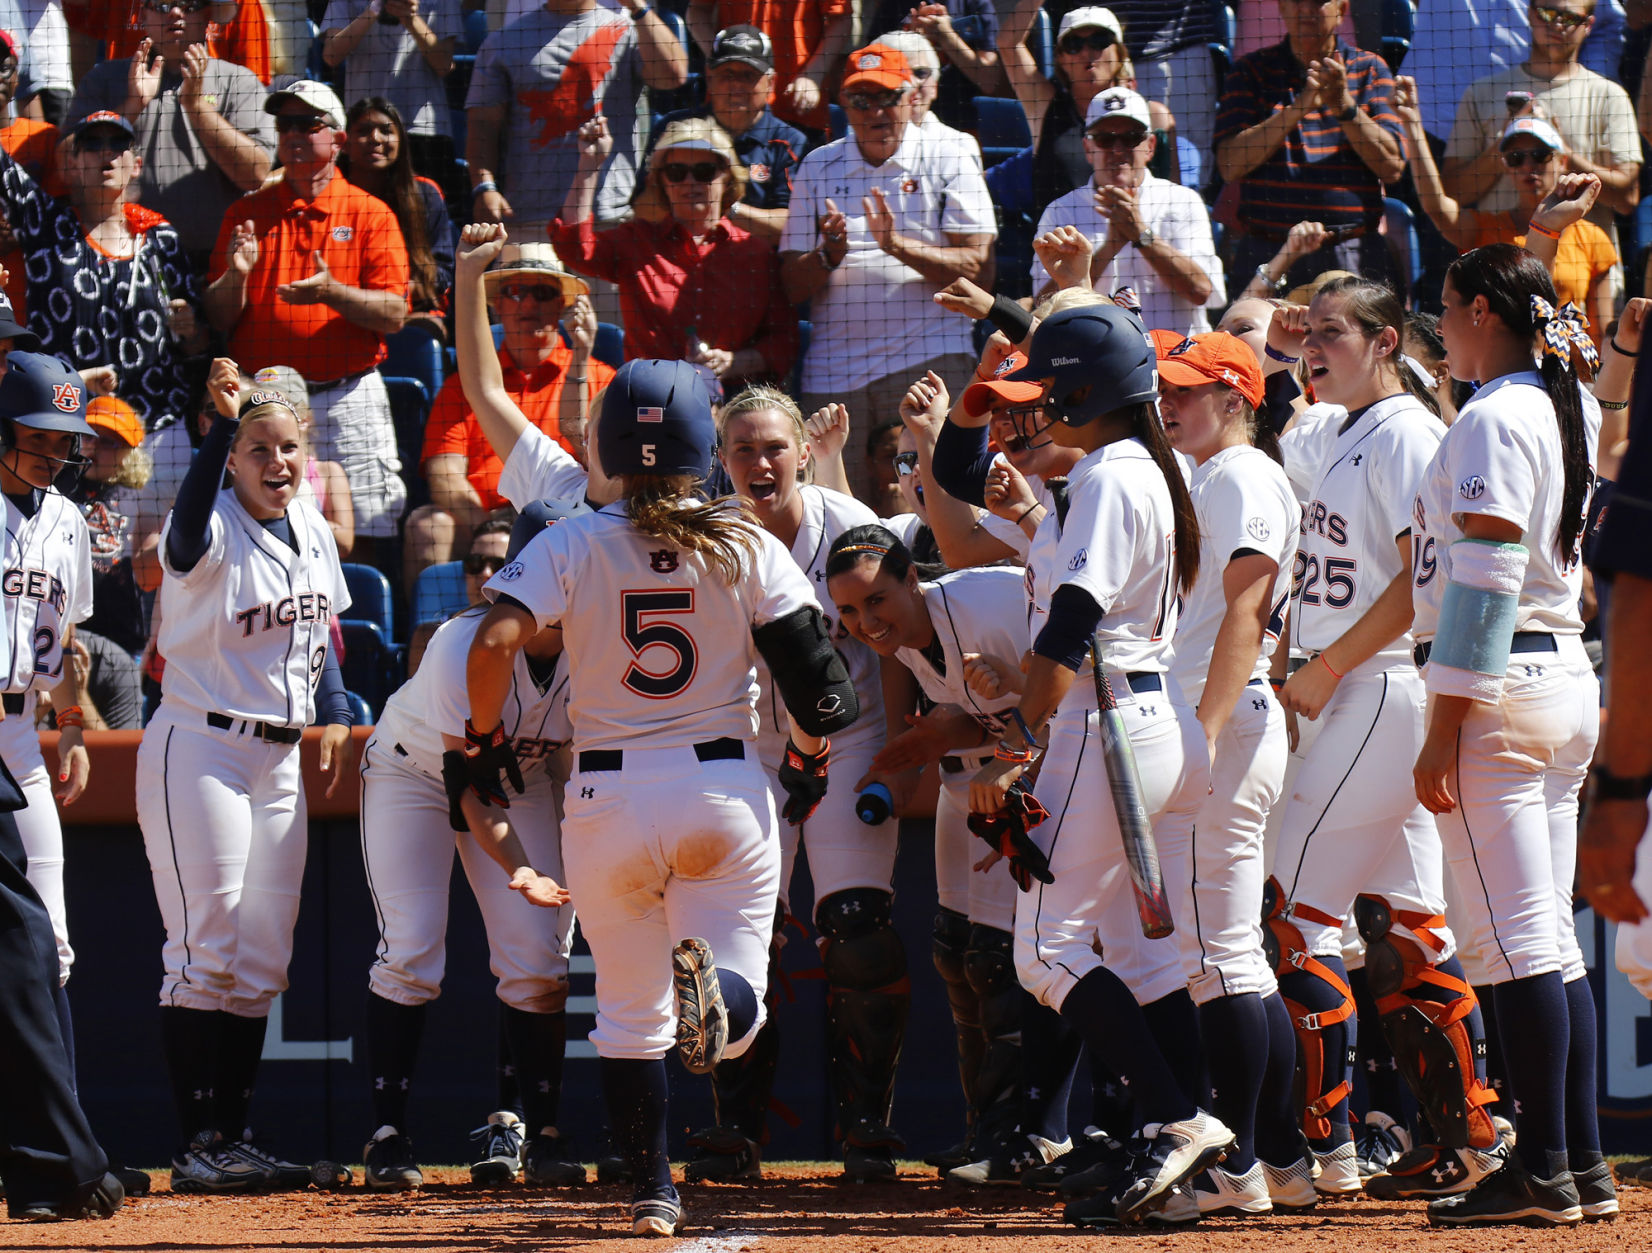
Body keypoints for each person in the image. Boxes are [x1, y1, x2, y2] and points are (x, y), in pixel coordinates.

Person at [459, 224, 859, 1235]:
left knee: (627, 1012)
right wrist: (807, 760)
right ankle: (719, 999)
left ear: (607, 445)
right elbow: (820, 688)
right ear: (699, 442)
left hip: (601, 794)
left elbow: (494, 638)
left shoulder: (573, 537)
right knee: (739, 998)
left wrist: (481, 736)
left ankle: (649, 1188)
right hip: (721, 785)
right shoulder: (743, 538)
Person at [936, 303, 1234, 1228]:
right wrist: (995, 355)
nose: (1031, 412)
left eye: (1045, 392)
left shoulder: (1108, 475)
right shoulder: (1145, 465)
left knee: (1042, 949)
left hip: (1104, 724)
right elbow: (954, 471)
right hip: (1152, 719)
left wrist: (1022, 739)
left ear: (1083, 391)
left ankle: (1178, 1120)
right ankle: (1179, 1155)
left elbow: (1071, 622)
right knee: (1144, 956)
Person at [1266, 277, 1503, 1202]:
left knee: (1291, 921)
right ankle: (1470, 1135)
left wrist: (1322, 671)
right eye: (1310, 333)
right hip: (1348, 686)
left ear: (1387, 339)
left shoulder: (1407, 432)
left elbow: (1420, 581)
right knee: (1407, 931)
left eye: (1335, 333)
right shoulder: (1340, 427)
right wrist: (1299, 352)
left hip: (1376, 683)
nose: (1314, 345)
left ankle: (1316, 1153)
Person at [1412, 242, 1613, 1225]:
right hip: (1560, 676)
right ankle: (1575, 1163)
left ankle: (1541, 1162)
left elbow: (1484, 572)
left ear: (1484, 311)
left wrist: (1438, 723)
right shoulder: (1562, 403)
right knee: (1548, 945)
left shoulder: (1494, 413)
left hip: (1494, 686)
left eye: (1446, 308)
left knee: (1512, 944)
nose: (1438, 323)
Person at [134, 358, 355, 1194]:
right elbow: (181, 538)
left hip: (280, 756)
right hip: (201, 746)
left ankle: (233, 1134)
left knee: (261, 960)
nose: (279, 462)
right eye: (259, 446)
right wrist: (218, 429)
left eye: (290, 446)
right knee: (207, 950)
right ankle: (199, 1142)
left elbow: (322, 633)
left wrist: (335, 706)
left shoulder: (307, 524)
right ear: (233, 455)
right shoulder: (213, 519)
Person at [683, 383, 900, 1185]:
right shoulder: (710, 538)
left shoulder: (852, 530)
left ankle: (867, 1129)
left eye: (774, 446)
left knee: (858, 926)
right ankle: (734, 1131)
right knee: (748, 936)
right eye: (742, 449)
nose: (760, 461)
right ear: (721, 459)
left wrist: (904, 747)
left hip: (848, 746)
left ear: (804, 451)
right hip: (751, 752)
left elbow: (908, 632)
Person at [826, 527, 1076, 1186]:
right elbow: (989, 717)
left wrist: (1011, 722)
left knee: (1005, 959)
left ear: (912, 578)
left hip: (1059, 774)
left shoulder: (987, 600)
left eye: (877, 599)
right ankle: (988, 1128)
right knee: (958, 949)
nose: (866, 621)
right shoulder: (909, 641)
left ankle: (1035, 1131)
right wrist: (938, 737)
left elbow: (1074, 697)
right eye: (850, 611)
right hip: (987, 777)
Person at [361, 500, 586, 1193]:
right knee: (413, 949)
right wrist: (519, 865)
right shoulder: (464, 645)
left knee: (538, 960)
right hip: (418, 773)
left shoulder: (601, 644)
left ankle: (534, 1131)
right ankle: (387, 1137)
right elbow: (471, 789)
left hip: (522, 777)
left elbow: (582, 768)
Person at [1146, 330, 1309, 1215]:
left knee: (1215, 956)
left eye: (1190, 389)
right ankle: (1278, 1154)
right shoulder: (1211, 474)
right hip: (1225, 712)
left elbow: (1248, 610)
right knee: (1227, 952)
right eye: (1166, 386)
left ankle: (1235, 1163)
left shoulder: (1241, 473)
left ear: (1238, 396)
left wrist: (1202, 734)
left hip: (1224, 718)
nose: (1170, 401)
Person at [0, 351, 123, 1225]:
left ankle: (59, 1150)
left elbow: (64, 640)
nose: (56, 451)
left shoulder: (67, 522)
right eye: (41, 434)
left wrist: (72, 724)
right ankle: (60, 1161)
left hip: (20, 734)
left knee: (49, 951)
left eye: (67, 438)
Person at [203, 79, 411, 558]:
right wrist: (236, 277)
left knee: (370, 526)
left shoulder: (370, 214)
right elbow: (217, 315)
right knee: (256, 527)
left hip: (347, 395)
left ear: (338, 139)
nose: (294, 134)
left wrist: (330, 292)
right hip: (265, 400)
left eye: (308, 123)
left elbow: (396, 314)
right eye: (286, 124)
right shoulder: (247, 212)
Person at [781, 41, 995, 503]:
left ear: (910, 97)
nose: (875, 110)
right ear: (843, 105)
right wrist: (828, 255)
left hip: (928, 358)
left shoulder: (949, 153)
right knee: (837, 510)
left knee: (946, 502)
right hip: (834, 374)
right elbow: (790, 283)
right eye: (861, 99)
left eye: (887, 97)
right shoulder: (818, 165)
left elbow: (978, 270)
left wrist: (895, 245)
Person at [409, 242, 613, 590]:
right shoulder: (461, 385)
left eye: (543, 292)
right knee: (427, 525)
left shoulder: (600, 378)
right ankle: (436, 636)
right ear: (497, 305)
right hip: (481, 522)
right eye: (515, 292)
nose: (529, 304)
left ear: (562, 304)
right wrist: (493, 530)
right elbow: (444, 474)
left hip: (571, 523)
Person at [553, 114, 799, 393]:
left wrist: (735, 361)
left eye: (704, 171)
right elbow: (573, 247)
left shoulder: (755, 253)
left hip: (732, 406)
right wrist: (589, 165)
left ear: (727, 178)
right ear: (662, 182)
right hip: (650, 399)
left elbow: (783, 340)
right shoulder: (636, 241)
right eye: (676, 172)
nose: (689, 182)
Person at [0, 108, 207, 432]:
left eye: (118, 143)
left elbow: (198, 345)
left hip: (155, 427)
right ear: (73, 165)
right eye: (92, 144)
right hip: (66, 422)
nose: (106, 152)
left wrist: (191, 329)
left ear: (136, 165)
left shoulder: (161, 239)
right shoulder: (46, 225)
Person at [1396, 78, 1615, 344]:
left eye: (1540, 154)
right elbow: (1436, 206)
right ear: (1505, 167)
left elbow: (1601, 335)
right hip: (1503, 372)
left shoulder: (1592, 237)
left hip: (1571, 375)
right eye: (1515, 157)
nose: (1528, 165)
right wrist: (1413, 125)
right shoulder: (1487, 229)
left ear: (1562, 160)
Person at [1213, 0, 1406, 294]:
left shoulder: (1370, 69)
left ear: (1342, 10)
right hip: (1267, 251)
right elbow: (1229, 166)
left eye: (1317, 1)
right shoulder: (1251, 71)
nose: (1305, 10)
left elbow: (1392, 167)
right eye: (1296, 1)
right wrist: (1298, 108)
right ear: (1281, 8)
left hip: (1351, 253)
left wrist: (1344, 106)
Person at [66, 0, 276, 266]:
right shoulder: (104, 78)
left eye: (190, 5)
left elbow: (255, 175)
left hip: (212, 262)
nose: (176, 13)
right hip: (123, 261)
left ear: (208, 15)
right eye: (162, 5)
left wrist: (197, 107)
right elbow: (66, 165)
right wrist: (133, 105)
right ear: (143, 15)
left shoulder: (239, 81)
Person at [465, 0, 687, 234]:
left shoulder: (627, 31)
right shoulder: (505, 42)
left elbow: (673, 76)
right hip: (530, 219)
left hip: (608, 217)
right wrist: (484, 186)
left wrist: (638, 8)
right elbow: (482, 126)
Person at [1440, 0, 1639, 255]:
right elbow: (1452, 194)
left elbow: (1627, 198)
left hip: (1586, 272)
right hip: (1501, 268)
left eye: (1569, 18)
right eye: (1547, 13)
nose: (1556, 24)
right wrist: (1504, 146)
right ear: (1531, 14)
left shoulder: (1609, 95)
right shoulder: (1482, 92)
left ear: (1588, 25)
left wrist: (1560, 150)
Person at [1030, 85, 1222, 331]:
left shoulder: (1183, 201)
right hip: (1098, 357)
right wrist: (1110, 246)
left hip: (1178, 355)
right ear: (1088, 149)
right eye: (1105, 139)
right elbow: (1044, 308)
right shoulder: (1061, 211)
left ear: (1150, 146)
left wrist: (1142, 235)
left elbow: (1201, 291)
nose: (1118, 149)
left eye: (1131, 137)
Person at [642, 24, 805, 244]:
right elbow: (642, 210)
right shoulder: (674, 127)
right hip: (677, 257)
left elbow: (795, 226)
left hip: (755, 264)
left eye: (748, 75)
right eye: (727, 74)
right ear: (709, 78)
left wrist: (723, 205)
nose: (735, 84)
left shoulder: (790, 142)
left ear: (771, 83)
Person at [998, 4, 1134, 217]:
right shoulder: (1044, 105)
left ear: (1119, 52)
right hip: (1060, 243)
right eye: (1074, 44)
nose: (1087, 52)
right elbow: (1008, 44)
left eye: (1099, 41)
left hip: (1132, 244)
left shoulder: (1150, 114)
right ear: (1060, 58)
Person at [338, 96, 453, 340]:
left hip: (413, 312)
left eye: (386, 131)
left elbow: (443, 274)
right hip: (337, 309)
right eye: (363, 131)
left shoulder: (425, 194)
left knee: (422, 334)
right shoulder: (329, 198)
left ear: (401, 141)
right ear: (344, 143)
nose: (376, 139)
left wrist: (388, 299)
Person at [321, 0, 459, 172]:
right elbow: (331, 55)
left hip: (422, 129)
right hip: (364, 128)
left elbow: (444, 65)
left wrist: (411, 19)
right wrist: (374, 9)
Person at [686, 0, 853, 135]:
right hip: (731, 106)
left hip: (794, 105)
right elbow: (697, 10)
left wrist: (813, 75)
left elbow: (841, 19)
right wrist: (719, 57)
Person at [0, 28, 61, 320]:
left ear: (17, 77)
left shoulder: (44, 138)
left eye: (4, 66)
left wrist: (22, 230)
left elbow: (64, 213)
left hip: (34, 288)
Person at [868, 1, 1005, 127]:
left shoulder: (976, 4)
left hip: (962, 121)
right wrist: (913, 41)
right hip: (902, 123)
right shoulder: (893, 4)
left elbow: (989, 80)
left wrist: (946, 36)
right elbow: (872, 69)